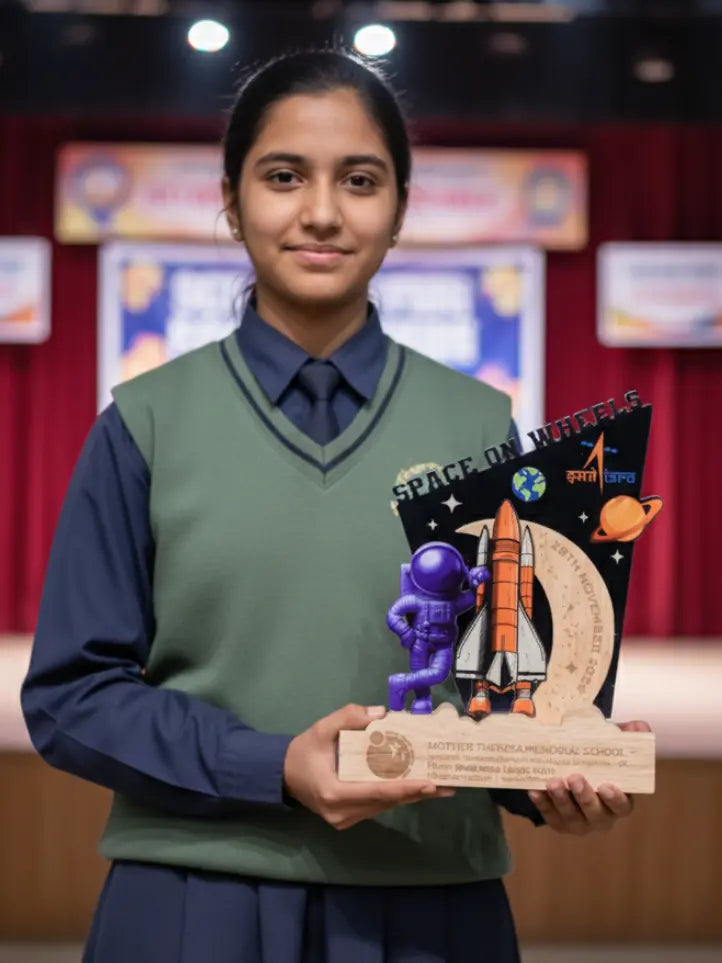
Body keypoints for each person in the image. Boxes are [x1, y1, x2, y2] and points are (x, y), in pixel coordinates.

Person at [21, 49, 649, 963]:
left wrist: (557, 779)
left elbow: (507, 697)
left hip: (435, 909)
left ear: (399, 210)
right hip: (193, 901)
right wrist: (273, 764)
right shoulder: (145, 427)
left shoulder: (484, 426)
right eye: (284, 176)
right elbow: (72, 697)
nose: (321, 211)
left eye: (360, 180)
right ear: (232, 201)